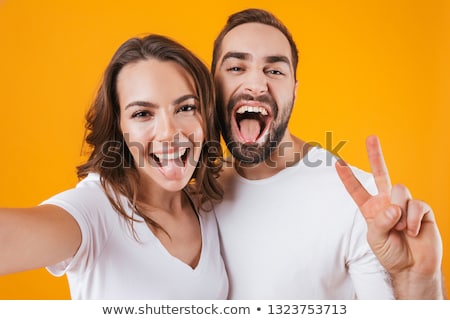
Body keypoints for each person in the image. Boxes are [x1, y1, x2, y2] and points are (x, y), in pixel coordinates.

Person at [211, 8, 445, 299]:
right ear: (211, 86)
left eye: (275, 70)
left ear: (294, 92)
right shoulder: (193, 193)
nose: (256, 84)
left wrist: (417, 283)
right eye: (236, 68)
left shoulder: (362, 202)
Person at [0, 34, 228, 299]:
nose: (169, 132)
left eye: (186, 107)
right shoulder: (95, 209)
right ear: (119, 128)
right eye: (142, 114)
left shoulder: (208, 207)